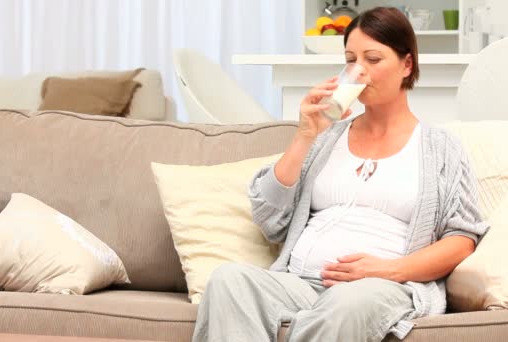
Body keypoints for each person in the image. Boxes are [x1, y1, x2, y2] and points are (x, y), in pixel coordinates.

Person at [193, 6, 489, 342]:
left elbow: (462, 240)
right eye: (351, 60)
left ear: (407, 65)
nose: (359, 71)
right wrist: (305, 135)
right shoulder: (326, 137)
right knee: (229, 279)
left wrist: (389, 270)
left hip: (377, 288)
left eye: (373, 59)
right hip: (300, 283)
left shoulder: (441, 147)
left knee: (346, 305)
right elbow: (270, 220)